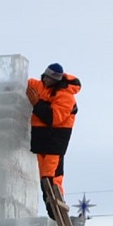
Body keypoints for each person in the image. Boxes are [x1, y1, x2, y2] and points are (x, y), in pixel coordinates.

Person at [26, 63, 82, 216]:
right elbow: (25, 84)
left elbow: (53, 118)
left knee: (52, 179)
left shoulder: (66, 96)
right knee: (45, 179)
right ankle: (53, 212)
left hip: (54, 143)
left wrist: (37, 103)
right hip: (41, 141)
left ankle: (56, 213)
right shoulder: (40, 86)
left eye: (52, 79)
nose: (48, 81)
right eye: (47, 77)